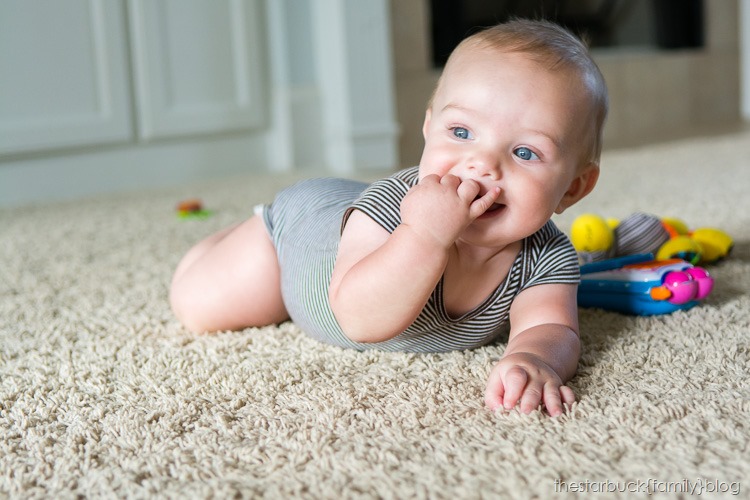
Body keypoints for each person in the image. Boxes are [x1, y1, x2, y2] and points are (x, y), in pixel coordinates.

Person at [169, 19, 609, 417]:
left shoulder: (547, 256)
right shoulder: (393, 206)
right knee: (199, 307)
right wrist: (424, 235)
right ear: (429, 128)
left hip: (346, 222)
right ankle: (246, 228)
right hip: (300, 238)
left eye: (525, 152)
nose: (481, 164)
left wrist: (534, 359)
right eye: (461, 133)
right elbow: (361, 320)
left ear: (572, 187)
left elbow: (552, 327)